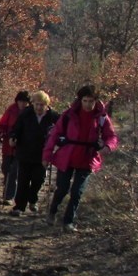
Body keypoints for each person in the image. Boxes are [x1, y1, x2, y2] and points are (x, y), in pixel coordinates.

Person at [42, 84, 118, 232]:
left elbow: (111, 136)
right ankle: (52, 211)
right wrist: (47, 155)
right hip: (67, 157)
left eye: (91, 101)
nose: (88, 104)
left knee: (77, 191)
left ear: (96, 101)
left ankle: (68, 221)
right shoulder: (69, 115)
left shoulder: (101, 117)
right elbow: (54, 135)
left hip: (88, 158)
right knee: (62, 188)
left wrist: (108, 146)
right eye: (85, 101)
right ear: (80, 100)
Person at [8, 90, 59, 216]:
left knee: (38, 179)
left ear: (47, 105)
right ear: (33, 104)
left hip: (42, 154)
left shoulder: (53, 116)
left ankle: (32, 199)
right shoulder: (26, 114)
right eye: (36, 104)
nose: (38, 107)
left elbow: (61, 130)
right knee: (23, 180)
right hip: (25, 152)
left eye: (42, 105)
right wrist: (13, 137)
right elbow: (16, 128)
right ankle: (19, 206)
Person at [0, 90, 31, 204]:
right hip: (8, 145)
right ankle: (7, 190)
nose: (23, 104)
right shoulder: (11, 110)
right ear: (17, 101)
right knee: (5, 168)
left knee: (15, 171)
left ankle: (9, 196)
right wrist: (0, 131)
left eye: (25, 101)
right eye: (21, 101)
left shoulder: (30, 113)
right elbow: (2, 124)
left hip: (22, 146)